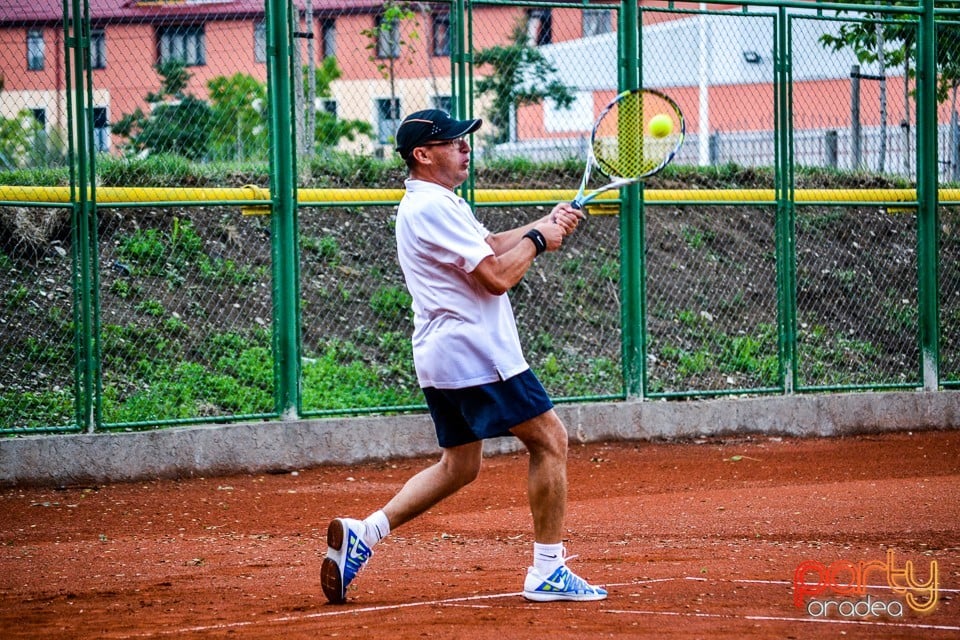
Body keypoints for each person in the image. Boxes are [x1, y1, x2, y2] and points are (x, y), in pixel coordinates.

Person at [320, 109, 606, 604]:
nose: (466, 148)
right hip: (477, 352)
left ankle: (365, 534)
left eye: (465, 140)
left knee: (459, 466)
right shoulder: (432, 207)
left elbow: (491, 245)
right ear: (423, 155)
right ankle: (548, 570)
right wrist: (539, 241)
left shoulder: (435, 203)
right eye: (454, 142)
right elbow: (495, 275)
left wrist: (545, 221)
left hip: (441, 354)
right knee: (551, 440)